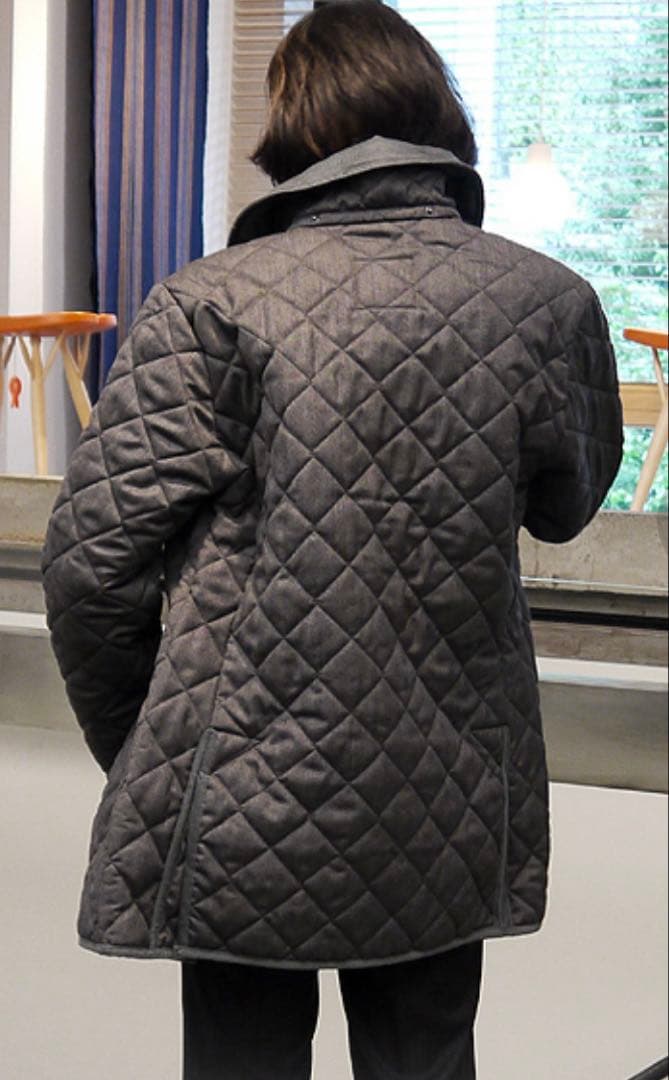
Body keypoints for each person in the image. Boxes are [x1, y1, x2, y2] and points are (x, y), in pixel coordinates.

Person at [41, 2, 624, 1077]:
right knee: (425, 1058)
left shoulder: (206, 303)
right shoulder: (551, 303)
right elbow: (567, 503)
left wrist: (149, 740)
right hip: (447, 785)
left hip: (241, 789)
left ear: (293, 125)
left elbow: (91, 565)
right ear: (437, 113)